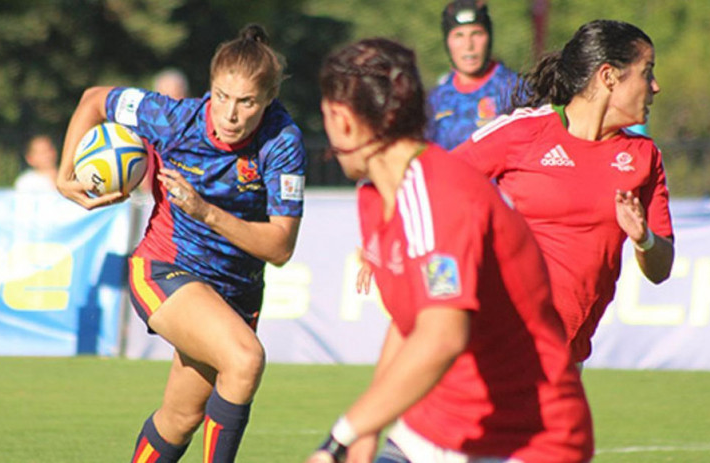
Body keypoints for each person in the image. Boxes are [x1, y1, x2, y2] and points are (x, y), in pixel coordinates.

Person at [308, 38, 592, 463]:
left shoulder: (436, 191)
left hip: (526, 440)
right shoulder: (373, 196)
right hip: (435, 427)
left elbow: (442, 336)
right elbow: (411, 323)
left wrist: (341, 436)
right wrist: (368, 427)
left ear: (342, 119)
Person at [57, 24, 306, 462]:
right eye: (221, 96)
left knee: (181, 418)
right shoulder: (174, 118)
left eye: (246, 102)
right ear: (210, 88)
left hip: (235, 293)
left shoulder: (282, 143)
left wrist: (206, 211)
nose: (229, 114)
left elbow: (280, 247)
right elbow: (95, 99)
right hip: (164, 268)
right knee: (245, 360)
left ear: (268, 100)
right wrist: (64, 176)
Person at [453, 19, 675, 365]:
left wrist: (643, 238)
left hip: (567, 357)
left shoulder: (644, 158)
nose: (656, 86)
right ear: (608, 76)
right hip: (500, 340)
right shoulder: (523, 132)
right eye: (647, 72)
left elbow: (661, 269)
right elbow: (434, 180)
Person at [425, 0, 518, 150]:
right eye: (459, 35)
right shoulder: (436, 99)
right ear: (447, 42)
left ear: (489, 37)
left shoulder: (515, 90)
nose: (468, 45)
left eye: (476, 34)